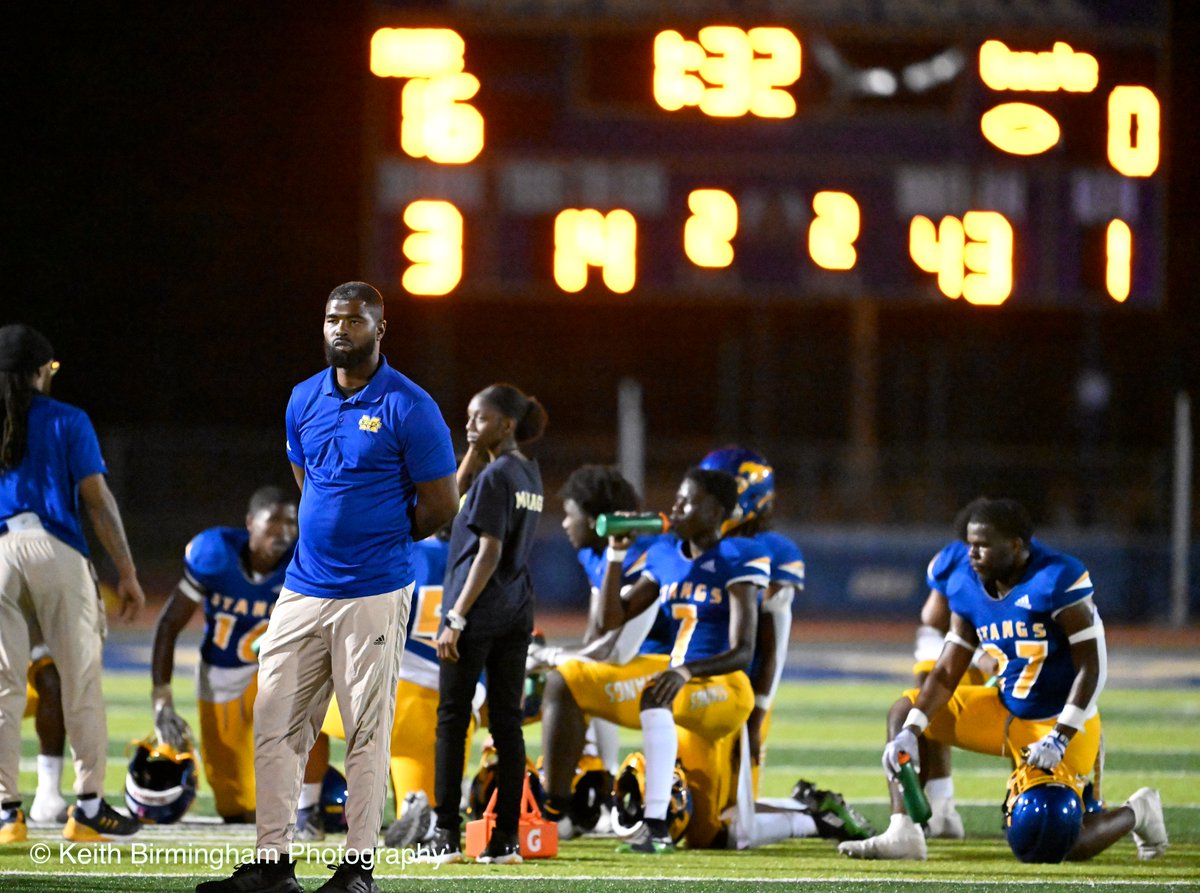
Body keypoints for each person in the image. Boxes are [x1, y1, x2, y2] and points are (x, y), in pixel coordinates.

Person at [196, 281, 458, 893]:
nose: (341, 329)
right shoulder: (302, 399)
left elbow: (441, 504)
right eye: (332, 319)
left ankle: (357, 869)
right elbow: (306, 477)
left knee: (366, 729)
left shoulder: (411, 405)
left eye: (355, 320)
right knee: (275, 718)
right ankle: (272, 865)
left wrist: (383, 538)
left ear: (380, 329)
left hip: (373, 591)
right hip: (304, 587)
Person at [839, 497, 1168, 863]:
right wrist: (912, 731)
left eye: (982, 545)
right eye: (969, 544)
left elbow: (1093, 667)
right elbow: (947, 671)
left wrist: (1060, 736)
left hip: (1055, 725)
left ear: (1015, 546)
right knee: (905, 711)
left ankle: (1138, 811)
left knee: (1047, 839)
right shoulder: (966, 582)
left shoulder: (1056, 577)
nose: (972, 554)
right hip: (1004, 711)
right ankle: (904, 833)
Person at [540, 467, 763, 854]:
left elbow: (744, 650)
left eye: (686, 501)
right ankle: (553, 813)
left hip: (724, 688)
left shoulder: (738, 556)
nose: (674, 508)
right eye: (675, 499)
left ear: (713, 512)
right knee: (568, 680)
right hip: (676, 683)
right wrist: (617, 552)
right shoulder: (663, 556)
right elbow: (612, 619)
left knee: (654, 695)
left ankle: (655, 825)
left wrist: (686, 670)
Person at [0, 323, 146, 845]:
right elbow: (97, 500)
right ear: (42, 371)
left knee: (3, 689)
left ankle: (5, 815)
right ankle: (85, 808)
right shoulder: (67, 419)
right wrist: (126, 572)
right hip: (54, 550)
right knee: (80, 682)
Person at [429, 383, 548, 865]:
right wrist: (473, 454)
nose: (469, 425)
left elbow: (488, 551)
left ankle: (443, 835)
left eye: (479, 418)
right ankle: (504, 843)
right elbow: (447, 511)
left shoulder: (497, 476)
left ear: (507, 424)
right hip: (517, 609)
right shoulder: (527, 472)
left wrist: (456, 614)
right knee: (508, 725)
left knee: (452, 720)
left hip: (478, 611)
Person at [150, 486, 298, 823]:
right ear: (250, 522)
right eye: (273, 521)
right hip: (224, 674)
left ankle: (314, 802)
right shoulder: (214, 554)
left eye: (291, 523)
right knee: (233, 805)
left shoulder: (302, 559)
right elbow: (169, 624)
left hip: (277, 670)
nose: (284, 531)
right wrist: (161, 697)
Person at [908, 496, 995, 839]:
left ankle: (1029, 793)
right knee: (927, 696)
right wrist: (979, 653)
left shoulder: (1029, 569)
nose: (978, 553)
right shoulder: (954, 563)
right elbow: (934, 620)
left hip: (1003, 642)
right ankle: (941, 803)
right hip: (955, 642)